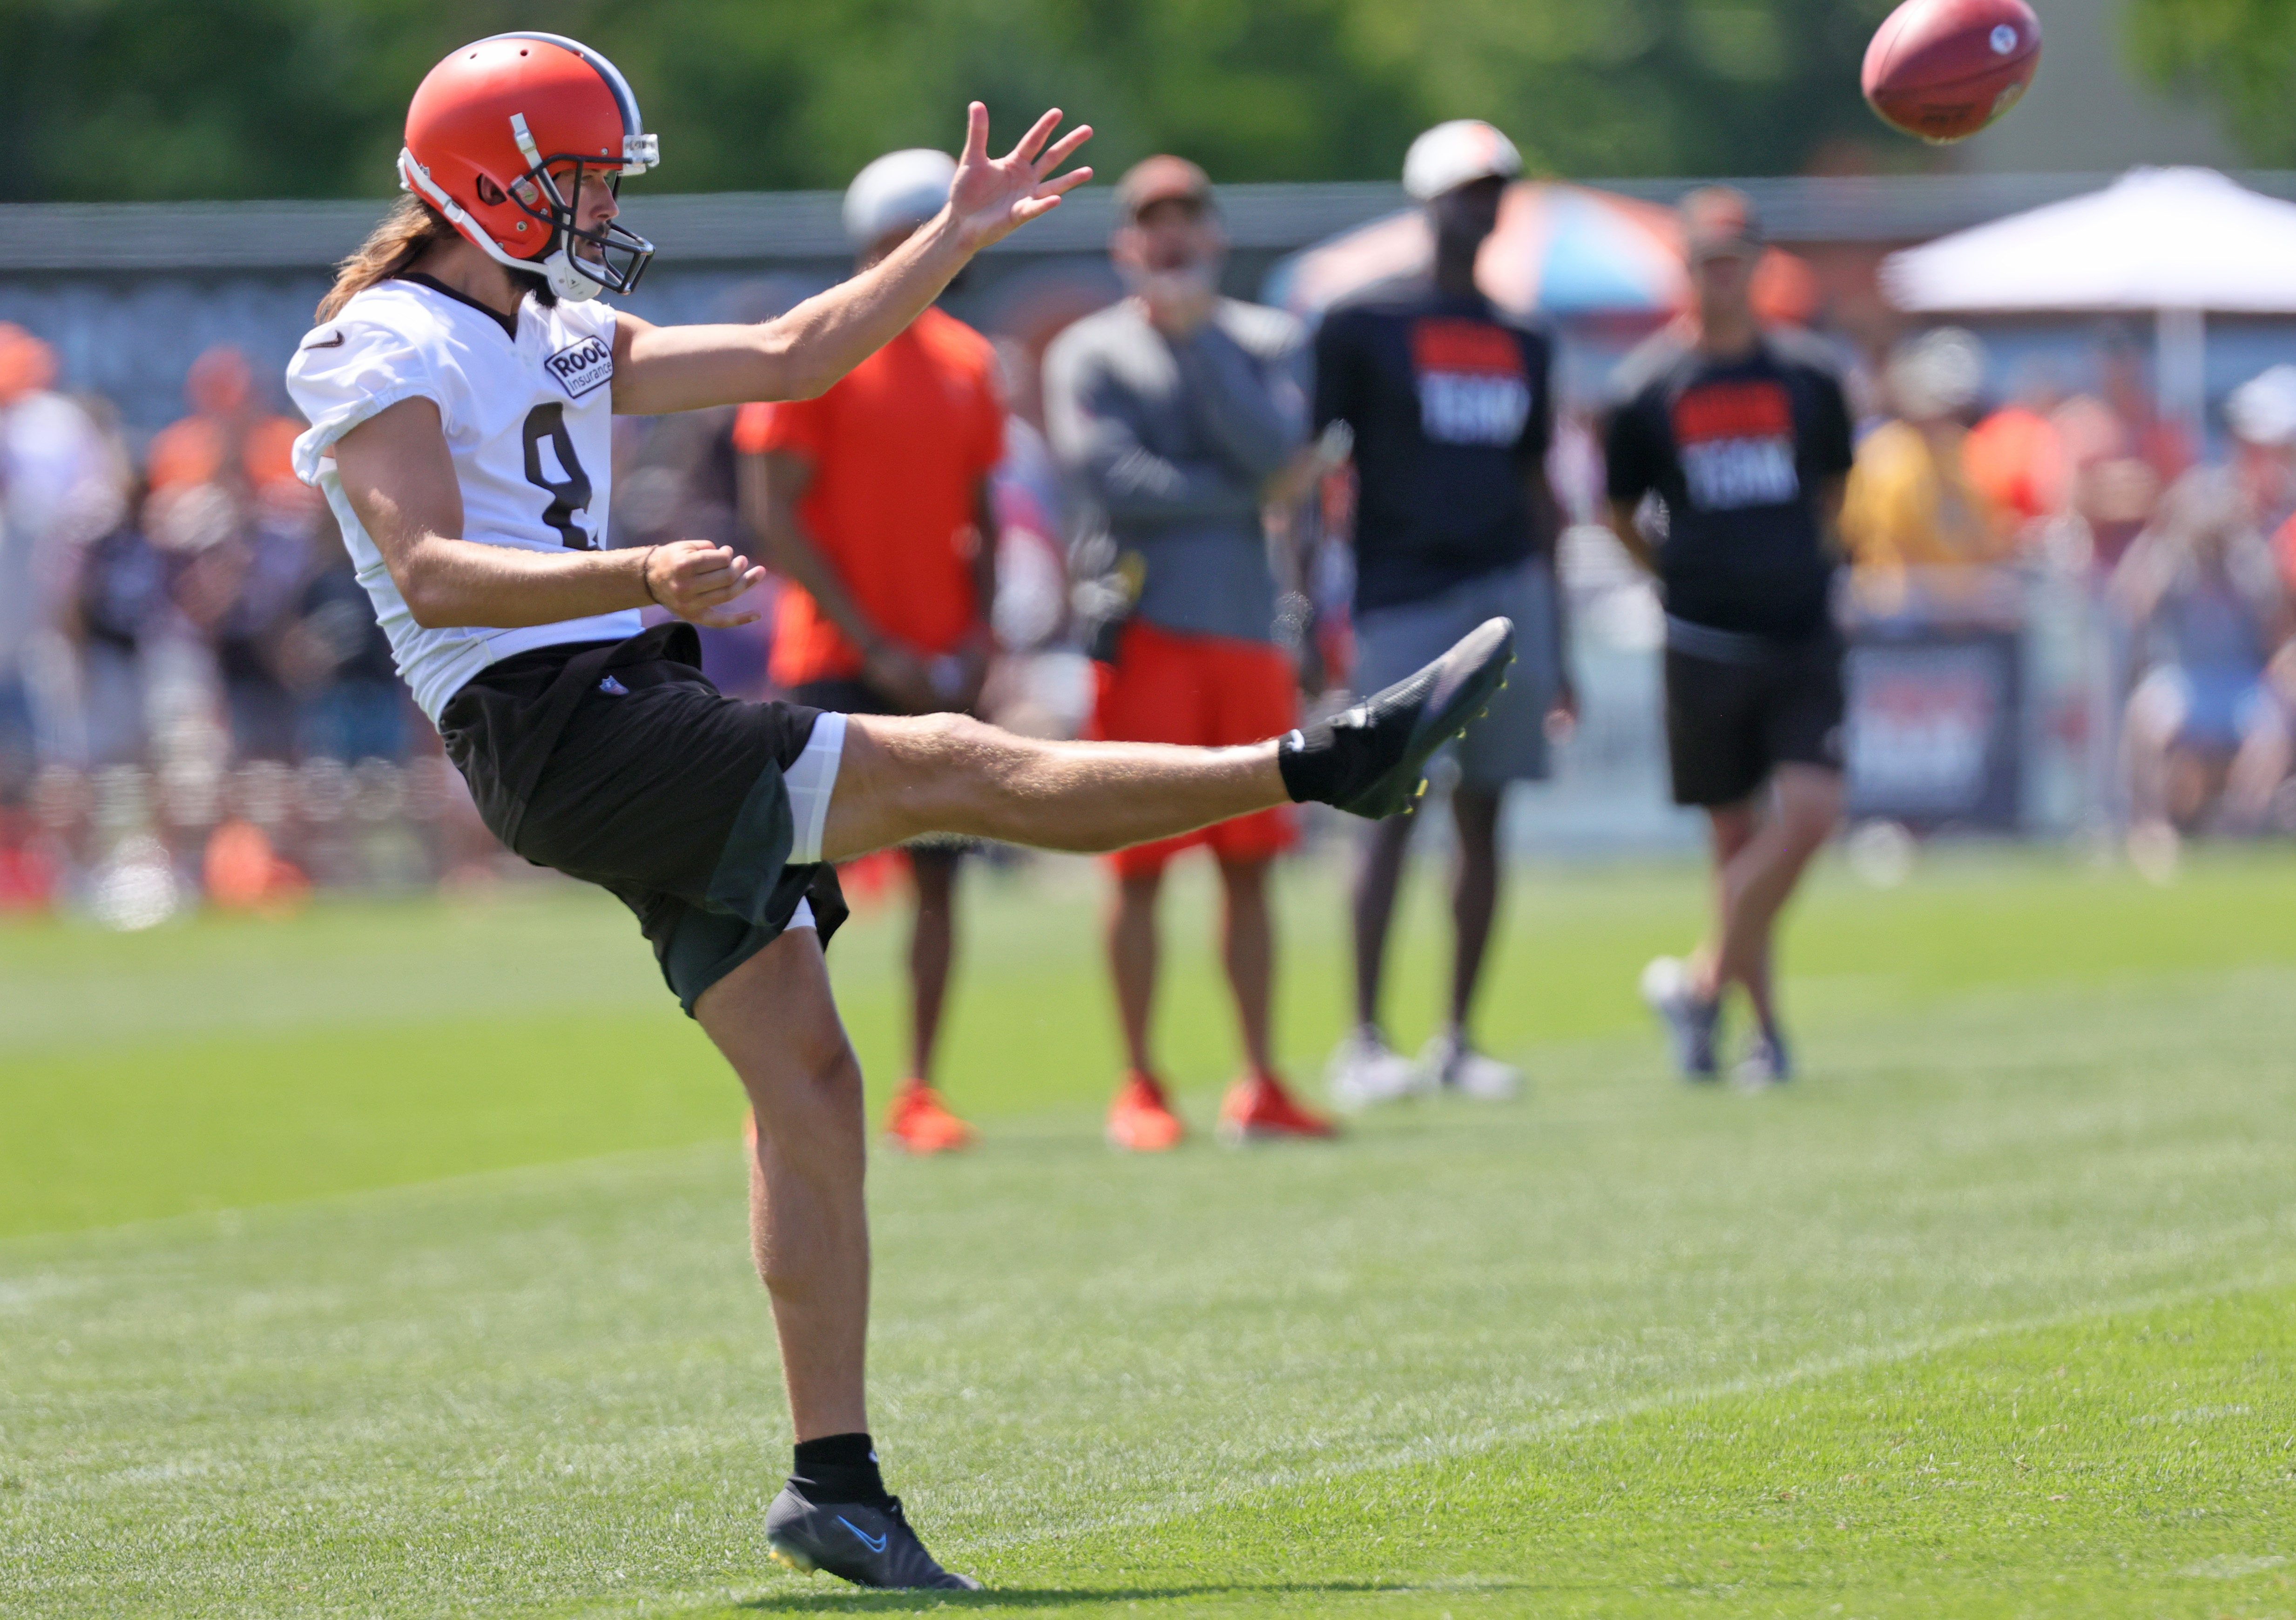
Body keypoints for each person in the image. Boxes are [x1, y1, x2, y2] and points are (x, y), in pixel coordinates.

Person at [285, 32, 1513, 1594]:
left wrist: (950, 237)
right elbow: (434, 566)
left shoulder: (541, 319)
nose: (594, 202)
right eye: (575, 175)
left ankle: (833, 1483)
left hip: (611, 705)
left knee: (810, 1073)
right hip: (559, 722)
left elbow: (796, 351)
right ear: (488, 178)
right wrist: (641, 571)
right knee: (946, 758)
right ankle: (1320, 765)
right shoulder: (382, 337)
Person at [1043, 155, 1333, 1151]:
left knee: (1251, 866)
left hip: (1251, 634)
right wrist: (1247, 490)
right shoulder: (1090, 350)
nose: (1169, 238)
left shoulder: (1262, 339)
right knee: (1137, 866)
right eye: (1149, 222)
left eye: (1186, 220)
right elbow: (1110, 477)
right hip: (1145, 633)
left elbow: (1277, 451)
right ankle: (1141, 1081)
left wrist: (1200, 342)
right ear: (1126, 241)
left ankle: (1261, 1077)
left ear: (1215, 234)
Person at [734, 148, 1006, 1158]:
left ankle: (920, 1085)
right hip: (834, 657)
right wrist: (878, 640)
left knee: (940, 880)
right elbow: (778, 515)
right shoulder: (822, 348)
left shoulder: (970, 363)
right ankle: (790, 1078)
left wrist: (978, 636)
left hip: (937, 658)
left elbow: (982, 518)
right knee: (807, 882)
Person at [1310, 119, 1571, 1108]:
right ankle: (1365, 1036)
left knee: (1488, 813)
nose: (1483, 205)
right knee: (1384, 811)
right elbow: (1314, 471)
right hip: (1403, 592)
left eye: (1496, 188)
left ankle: (1459, 1037)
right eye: (1466, 189)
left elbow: (1540, 484)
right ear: (1427, 201)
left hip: (1510, 591)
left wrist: (1564, 635)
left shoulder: (1526, 336)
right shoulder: (1361, 322)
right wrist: (1306, 606)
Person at [1601, 187, 1856, 1089]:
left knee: (1812, 815)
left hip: (1799, 632)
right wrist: (1677, 573)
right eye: (1706, 259)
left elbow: (1831, 492)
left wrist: (1798, 567)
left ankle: (1701, 981)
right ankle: (1763, 1032)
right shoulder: (1646, 387)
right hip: (1704, 637)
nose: (1722, 274)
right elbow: (1621, 510)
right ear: (1686, 268)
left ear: (1756, 263)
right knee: (1731, 839)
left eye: (1735, 257)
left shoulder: (1809, 377)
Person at [1840, 327, 2014, 616]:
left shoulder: (1966, 453)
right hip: (1900, 622)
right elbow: (1881, 545)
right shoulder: (1883, 455)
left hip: (1963, 621)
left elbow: (1986, 537)